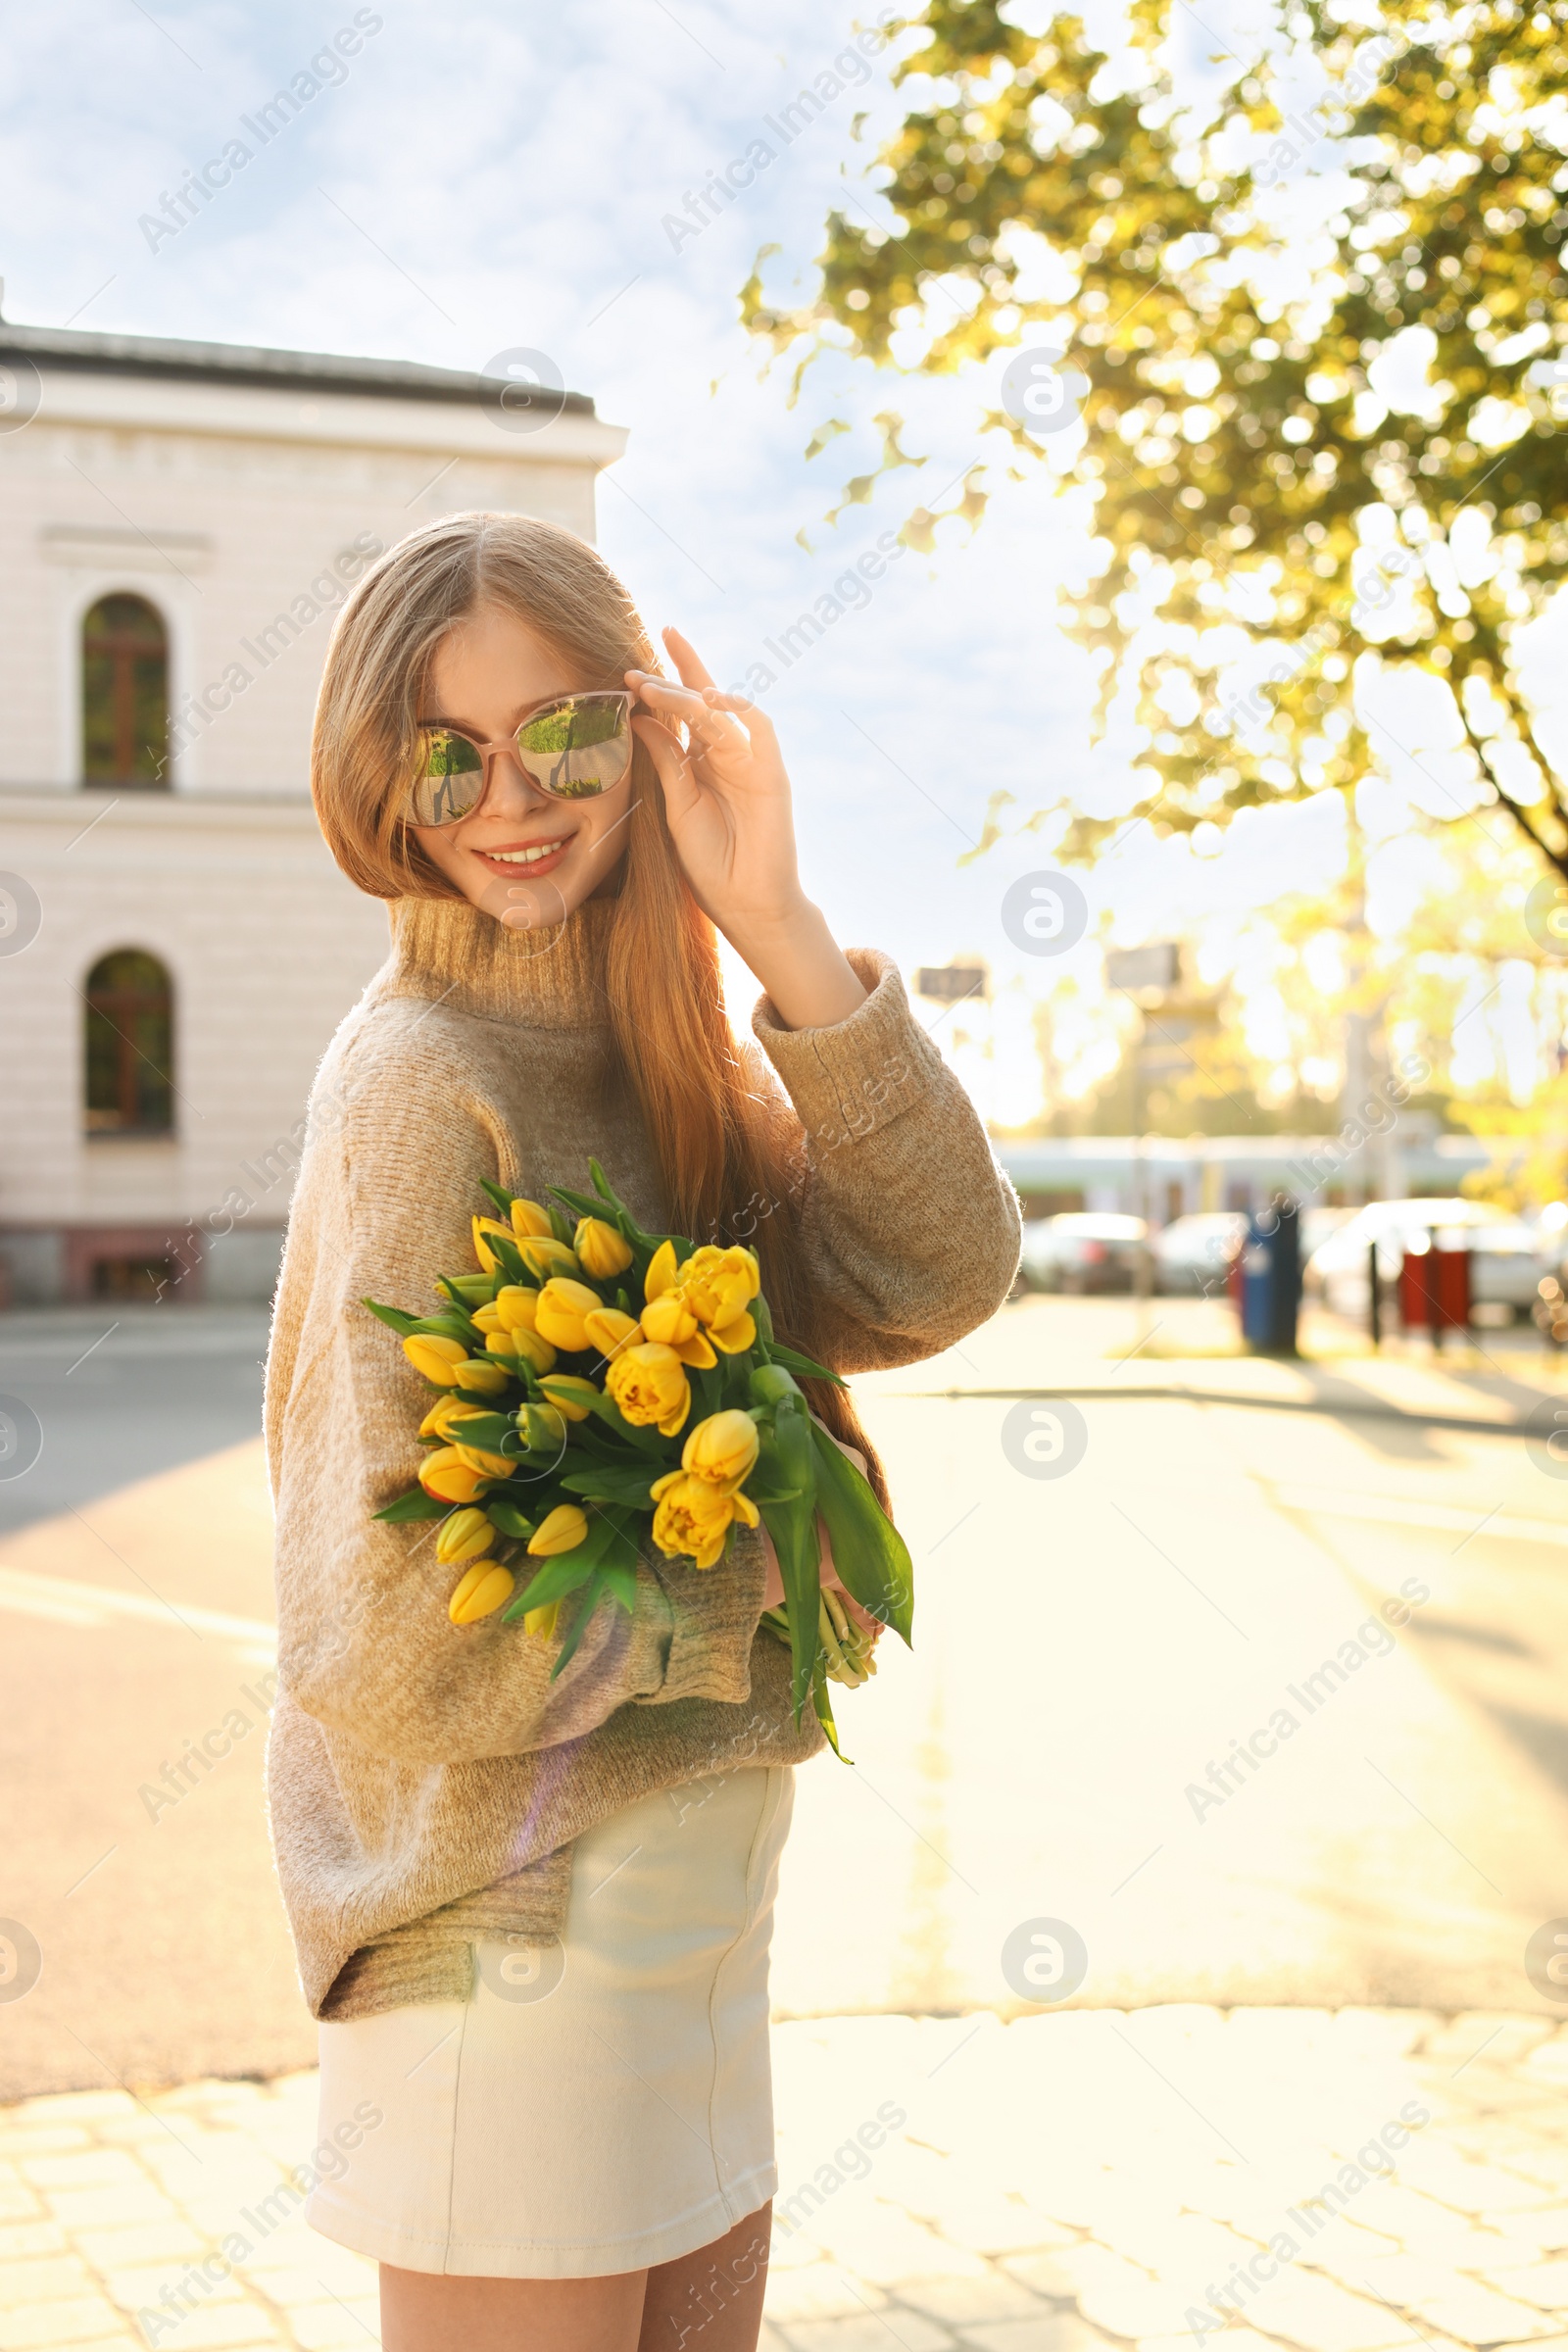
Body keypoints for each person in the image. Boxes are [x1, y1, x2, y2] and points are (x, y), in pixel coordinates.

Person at [264, 511, 1020, 2352]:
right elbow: (368, 1633)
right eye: (444, 747)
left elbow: (939, 1270)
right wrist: (758, 1566)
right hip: (505, 1951)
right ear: (383, 770)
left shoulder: (661, 1042)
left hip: (693, 1923)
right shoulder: (419, 1082)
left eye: (565, 733)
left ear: (649, 726)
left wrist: (775, 925)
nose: (506, 796)